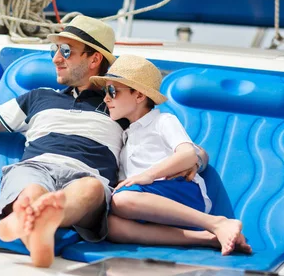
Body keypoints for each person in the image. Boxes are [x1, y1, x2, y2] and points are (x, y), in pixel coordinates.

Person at [0, 16, 206, 267]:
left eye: (65, 51)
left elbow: (178, 142)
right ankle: (38, 216)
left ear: (93, 60)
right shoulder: (38, 98)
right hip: (37, 166)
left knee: (90, 190)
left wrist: (194, 162)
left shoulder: (119, 104)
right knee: (31, 184)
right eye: (54, 50)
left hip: (89, 175)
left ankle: (37, 218)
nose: (56, 58)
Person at [89, 54, 252, 256]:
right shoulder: (126, 135)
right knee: (111, 226)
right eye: (105, 91)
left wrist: (148, 175)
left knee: (122, 201)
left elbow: (188, 154)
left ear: (139, 96)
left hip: (181, 192)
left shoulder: (163, 121)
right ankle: (208, 238)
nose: (106, 98)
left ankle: (216, 222)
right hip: (144, 201)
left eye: (113, 91)